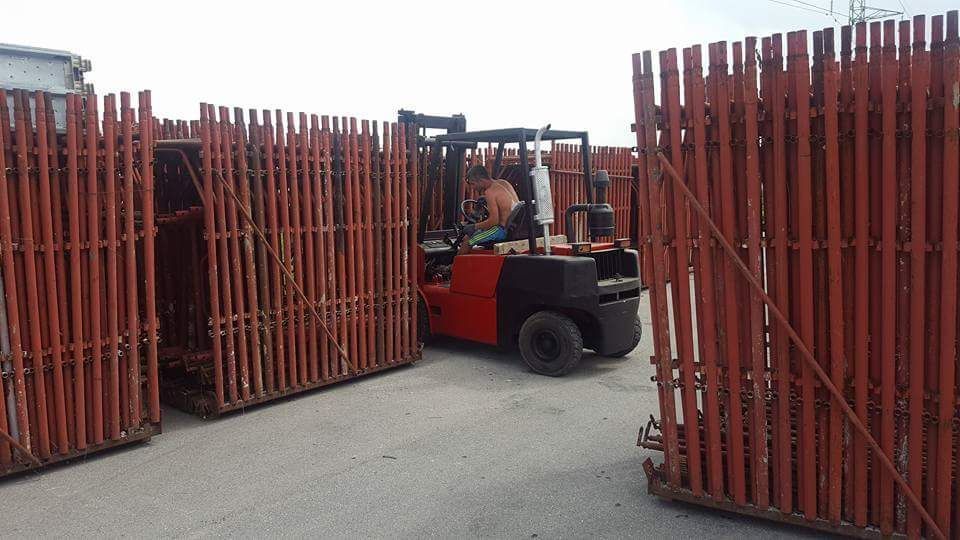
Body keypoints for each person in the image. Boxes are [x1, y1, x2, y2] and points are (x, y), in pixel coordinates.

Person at [459, 165, 519, 254]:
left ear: (481, 180)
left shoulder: (490, 192)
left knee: (467, 241)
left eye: (473, 184)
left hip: (502, 230)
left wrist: (473, 226)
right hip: (514, 226)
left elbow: (494, 221)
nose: (472, 188)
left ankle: (455, 263)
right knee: (468, 236)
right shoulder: (503, 183)